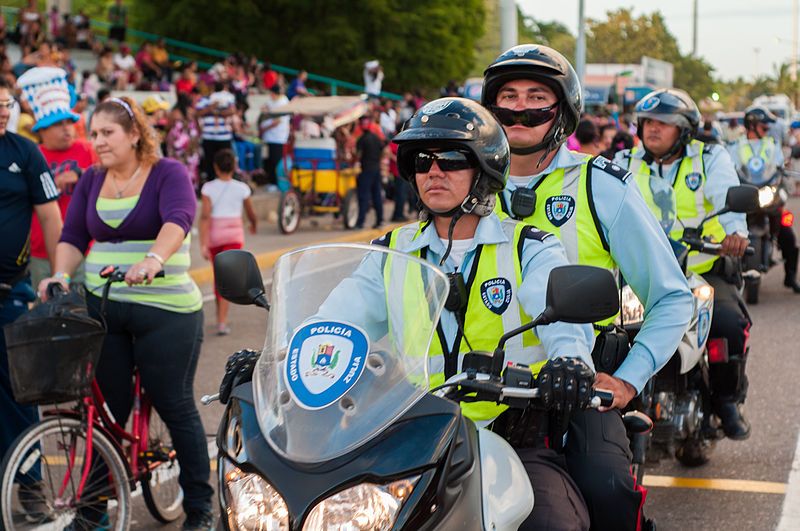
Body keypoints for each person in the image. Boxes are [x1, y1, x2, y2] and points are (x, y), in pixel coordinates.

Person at [482, 44, 693, 531]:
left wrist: (626, 380)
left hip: (578, 384)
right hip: (474, 379)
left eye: (537, 96)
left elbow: (671, 295)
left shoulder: (599, 184)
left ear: (563, 110)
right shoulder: (465, 179)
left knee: (607, 491)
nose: (519, 108)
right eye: (508, 96)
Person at [374, 97, 597, 530]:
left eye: (452, 159)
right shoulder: (390, 252)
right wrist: (285, 357)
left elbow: (564, 318)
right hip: (410, 437)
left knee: (554, 524)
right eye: (422, 161)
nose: (434, 172)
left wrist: (569, 360)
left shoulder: (529, 246)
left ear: (484, 171)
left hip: (511, 435)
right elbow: (334, 322)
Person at [38, 96, 214, 530]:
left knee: (173, 403)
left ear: (134, 133)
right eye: (92, 134)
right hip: (106, 308)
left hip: (166, 308)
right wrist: (59, 273)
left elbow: (179, 217)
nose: (96, 142)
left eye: (106, 133)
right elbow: (75, 233)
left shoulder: (167, 173)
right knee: (106, 414)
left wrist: (154, 259)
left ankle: (200, 508)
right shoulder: (93, 180)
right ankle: (94, 509)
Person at [613, 88, 753, 442]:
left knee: (728, 323)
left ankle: (725, 401)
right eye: (647, 123)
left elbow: (727, 194)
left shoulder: (709, 158)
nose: (653, 130)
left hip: (702, 266)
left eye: (664, 123)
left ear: (685, 130)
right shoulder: (624, 161)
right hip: (641, 272)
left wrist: (735, 234)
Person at [0, 76, 63, 514]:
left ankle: (31, 486)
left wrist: (58, 272)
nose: (3, 110)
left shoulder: (25, 152)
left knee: (20, 394)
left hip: (10, 293)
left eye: (6, 103)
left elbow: (50, 217)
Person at [17, 67, 97, 290]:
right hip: (40, 250)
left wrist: (81, 174)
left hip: (82, 246)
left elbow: (110, 177)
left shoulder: (88, 149)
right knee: (46, 312)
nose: (67, 129)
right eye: (58, 124)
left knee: (83, 311)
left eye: (69, 122)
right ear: (42, 130)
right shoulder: (31, 155)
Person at [731, 104, 800, 292]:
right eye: (764, 125)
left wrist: (782, 170)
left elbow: (778, 164)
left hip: (768, 192)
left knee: (787, 235)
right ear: (752, 125)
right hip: (745, 193)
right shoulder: (735, 146)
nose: (767, 129)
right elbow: (729, 166)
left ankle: (790, 277)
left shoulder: (771, 145)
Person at [199, 148, 257, 335]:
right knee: (227, 278)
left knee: (219, 278)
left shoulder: (208, 188)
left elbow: (205, 217)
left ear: (216, 167)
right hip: (234, 237)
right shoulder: (242, 188)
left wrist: (203, 243)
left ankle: (220, 317)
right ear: (234, 167)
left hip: (216, 237)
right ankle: (222, 321)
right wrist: (253, 224)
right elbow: (250, 212)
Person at [197, 82, 235, 183]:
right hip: (208, 136)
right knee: (209, 161)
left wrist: (216, 112)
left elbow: (232, 111)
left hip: (224, 136)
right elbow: (198, 113)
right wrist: (211, 107)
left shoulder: (228, 97)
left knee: (226, 161)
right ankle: (211, 182)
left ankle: (226, 182)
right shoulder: (203, 99)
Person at [354, 114, 385, 229]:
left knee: (363, 196)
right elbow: (383, 150)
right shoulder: (376, 138)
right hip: (376, 168)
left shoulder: (361, 140)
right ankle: (379, 220)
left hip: (366, 169)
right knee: (376, 195)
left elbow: (358, 155)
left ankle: (360, 222)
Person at [258, 85, 290, 189]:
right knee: (270, 161)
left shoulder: (283, 102)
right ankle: (271, 181)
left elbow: (277, 121)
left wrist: (264, 129)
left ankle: (276, 183)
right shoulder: (272, 101)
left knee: (276, 161)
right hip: (270, 137)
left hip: (278, 137)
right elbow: (264, 107)